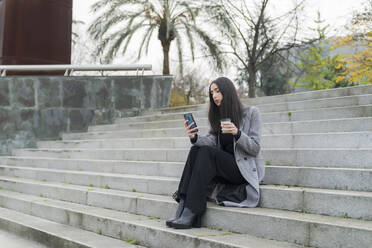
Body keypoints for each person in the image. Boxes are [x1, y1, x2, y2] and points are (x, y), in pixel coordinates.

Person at [166, 76, 265, 229]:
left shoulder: (251, 113)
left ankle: (192, 211)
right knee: (196, 149)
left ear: (227, 91)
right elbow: (211, 141)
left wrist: (237, 133)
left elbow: (255, 147)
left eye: (217, 91)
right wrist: (194, 137)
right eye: (212, 93)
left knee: (206, 153)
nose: (214, 95)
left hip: (242, 170)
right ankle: (184, 205)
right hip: (224, 169)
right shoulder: (219, 118)